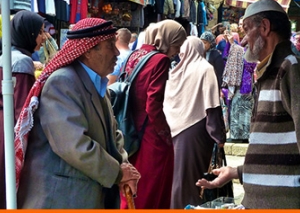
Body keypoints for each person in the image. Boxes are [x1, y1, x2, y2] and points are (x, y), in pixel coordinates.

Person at [16, 18, 140, 209]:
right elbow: (73, 145)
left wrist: (124, 166)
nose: (116, 53)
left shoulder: (96, 82)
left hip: (88, 193)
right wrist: (118, 172)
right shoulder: (63, 82)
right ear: (88, 51)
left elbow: (114, 133)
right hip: (62, 197)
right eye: (109, 46)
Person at [196, 0, 300, 209]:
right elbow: (273, 149)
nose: (242, 41)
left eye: (246, 30)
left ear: (264, 27)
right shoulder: (270, 70)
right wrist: (237, 172)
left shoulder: (290, 68)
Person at [120, 19, 187, 209]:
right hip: (150, 134)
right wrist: (165, 133)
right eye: (177, 45)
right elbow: (153, 104)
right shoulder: (161, 60)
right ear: (168, 40)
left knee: (133, 186)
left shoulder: (136, 55)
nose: (177, 51)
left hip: (130, 129)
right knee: (152, 188)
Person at [164, 36, 226, 209]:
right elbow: (212, 106)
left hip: (173, 130)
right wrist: (218, 137)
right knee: (193, 180)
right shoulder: (205, 69)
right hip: (196, 131)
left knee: (178, 178)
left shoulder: (174, 71)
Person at [0, 10, 46, 209]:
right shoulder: (22, 61)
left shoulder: (7, 55)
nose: (44, 38)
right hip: (9, 132)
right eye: (40, 32)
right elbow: (23, 111)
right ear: (27, 33)